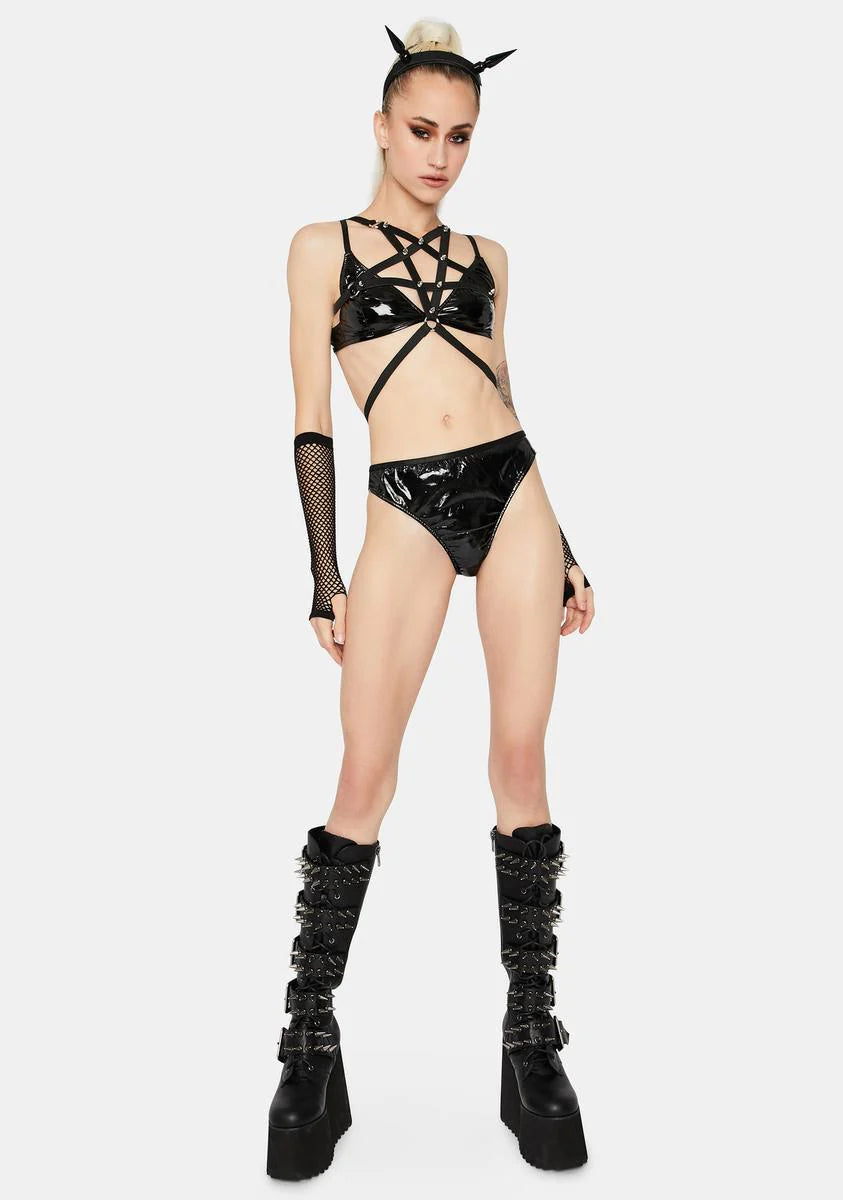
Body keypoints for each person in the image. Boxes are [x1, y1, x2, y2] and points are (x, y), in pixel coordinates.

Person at [267, 19, 595, 1180]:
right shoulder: (321, 246)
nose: (440, 156)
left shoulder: (491, 257)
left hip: (515, 494)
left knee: (522, 761)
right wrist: (325, 574)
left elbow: (505, 390)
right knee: (365, 774)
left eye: (460, 136)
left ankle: (531, 1036)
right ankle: (309, 1036)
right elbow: (313, 417)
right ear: (380, 127)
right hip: (400, 502)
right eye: (421, 131)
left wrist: (568, 549)